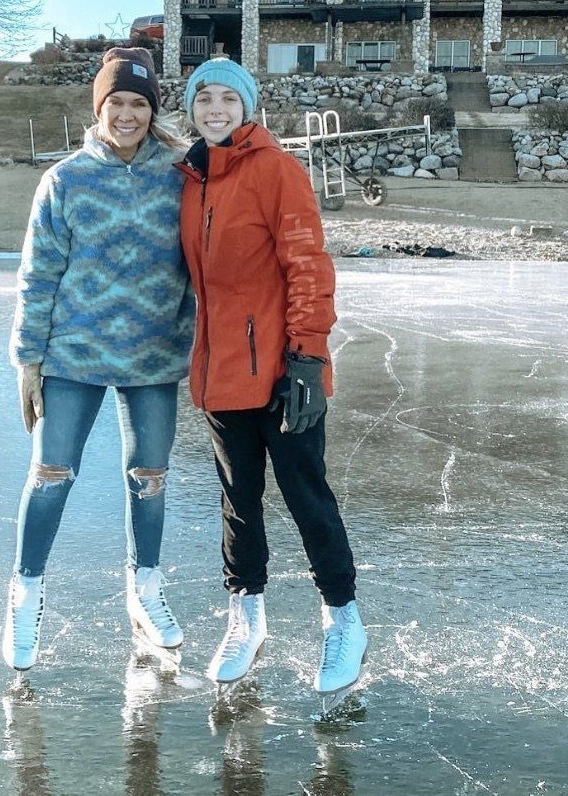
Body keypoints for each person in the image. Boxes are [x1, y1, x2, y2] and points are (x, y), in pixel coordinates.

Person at [176, 57, 367, 702]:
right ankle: (246, 618)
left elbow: (308, 264)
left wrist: (309, 357)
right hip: (218, 372)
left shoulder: (276, 170)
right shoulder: (190, 179)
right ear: (192, 109)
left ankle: (343, 619)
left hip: (284, 373)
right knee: (239, 499)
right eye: (205, 99)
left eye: (229, 98)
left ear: (248, 108)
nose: (216, 109)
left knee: (306, 495)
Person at [3, 47, 193, 671]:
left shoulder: (180, 176)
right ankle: (25, 593)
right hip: (73, 354)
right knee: (51, 474)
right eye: (117, 102)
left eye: (140, 103)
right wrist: (28, 360)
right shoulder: (64, 180)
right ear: (99, 107)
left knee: (150, 479)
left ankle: (146, 591)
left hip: (153, 354)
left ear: (152, 109)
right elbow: (38, 276)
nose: (129, 114)